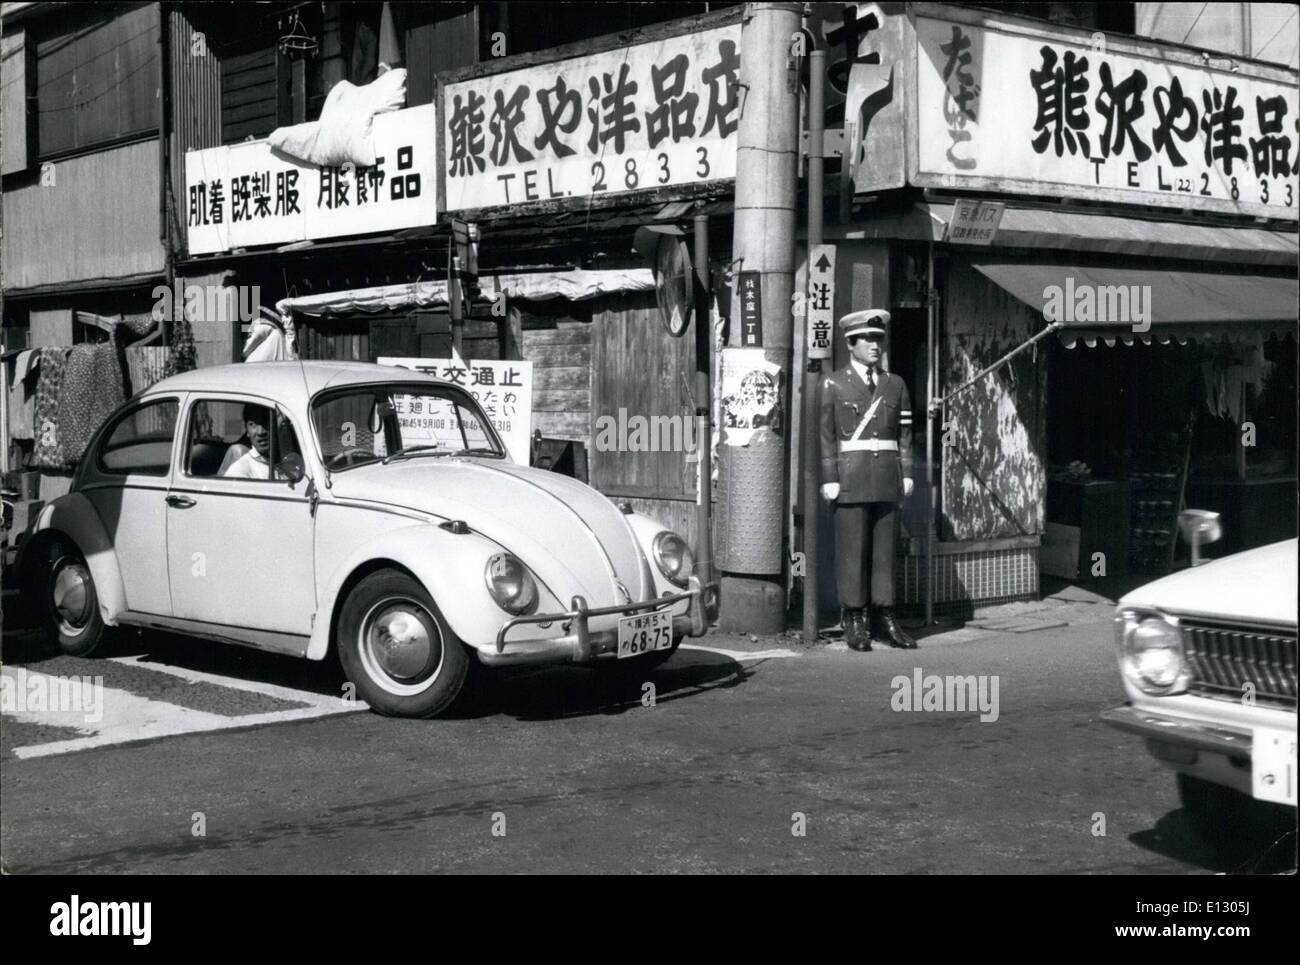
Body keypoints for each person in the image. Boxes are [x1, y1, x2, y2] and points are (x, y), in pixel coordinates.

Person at [818, 309, 917, 652]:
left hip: (887, 476)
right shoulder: (833, 383)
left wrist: (906, 471)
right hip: (851, 474)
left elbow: (905, 433)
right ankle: (855, 618)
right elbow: (827, 435)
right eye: (868, 339)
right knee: (852, 549)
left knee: (885, 551)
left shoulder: (895, 383)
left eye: (879, 339)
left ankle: (886, 616)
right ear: (851, 344)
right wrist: (830, 475)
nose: (876, 346)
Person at [222, 404, 282, 479]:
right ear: (247, 430)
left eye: (266, 422)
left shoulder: (286, 464)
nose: (260, 432)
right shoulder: (240, 471)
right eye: (252, 424)